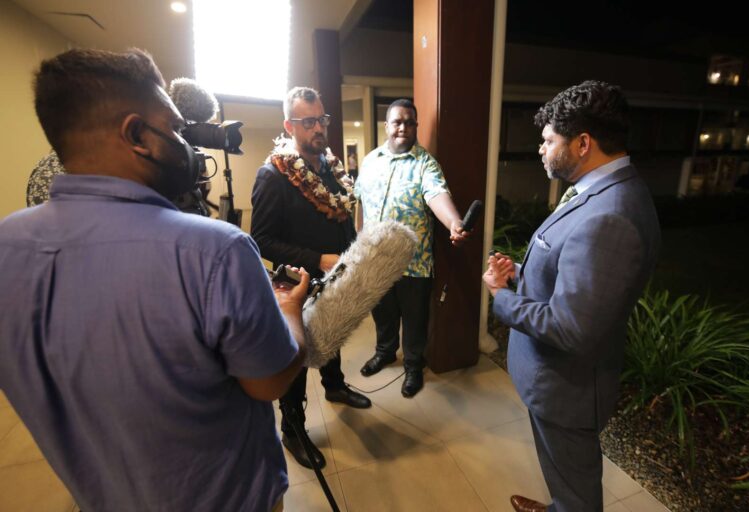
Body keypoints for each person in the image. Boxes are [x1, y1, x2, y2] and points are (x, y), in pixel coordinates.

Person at [0, 48, 310, 512]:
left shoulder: (7, 246)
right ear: (136, 135)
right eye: (177, 129)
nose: (188, 146)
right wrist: (290, 314)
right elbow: (269, 382)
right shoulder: (217, 252)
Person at [482, 81, 660, 512]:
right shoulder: (606, 189)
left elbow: (571, 327)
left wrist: (501, 296)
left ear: (583, 144)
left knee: (578, 494)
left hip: (567, 390)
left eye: (548, 141)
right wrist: (522, 272)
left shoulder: (610, 217)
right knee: (564, 481)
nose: (541, 149)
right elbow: (577, 276)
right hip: (561, 383)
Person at [250, 86, 371, 470]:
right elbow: (261, 240)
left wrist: (350, 255)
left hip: (335, 277)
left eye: (322, 119)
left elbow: (341, 217)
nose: (319, 128)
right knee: (297, 356)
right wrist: (318, 259)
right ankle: (293, 429)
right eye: (308, 122)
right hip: (296, 285)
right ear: (289, 126)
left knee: (332, 333)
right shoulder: (273, 175)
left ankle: (335, 386)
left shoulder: (332, 169)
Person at [355, 99, 469, 398]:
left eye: (409, 122)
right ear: (387, 126)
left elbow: (437, 194)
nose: (403, 127)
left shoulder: (425, 164)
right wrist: (358, 241)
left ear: (416, 126)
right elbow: (360, 201)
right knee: (383, 312)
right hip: (375, 259)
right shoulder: (370, 161)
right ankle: (385, 352)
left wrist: (454, 222)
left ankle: (413, 366)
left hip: (414, 262)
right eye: (397, 122)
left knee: (415, 319)